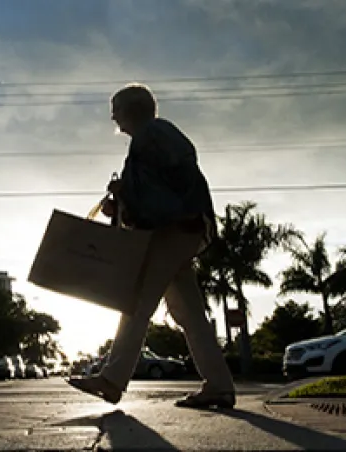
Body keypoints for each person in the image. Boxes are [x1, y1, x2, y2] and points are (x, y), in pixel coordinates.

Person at [67, 83, 235, 409]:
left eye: (116, 108)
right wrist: (124, 196)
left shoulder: (153, 135)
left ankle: (112, 379)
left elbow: (173, 181)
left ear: (131, 110)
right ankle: (219, 385)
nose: (112, 116)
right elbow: (157, 187)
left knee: (137, 301)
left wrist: (135, 196)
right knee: (189, 312)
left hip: (173, 229)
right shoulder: (155, 136)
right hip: (178, 228)